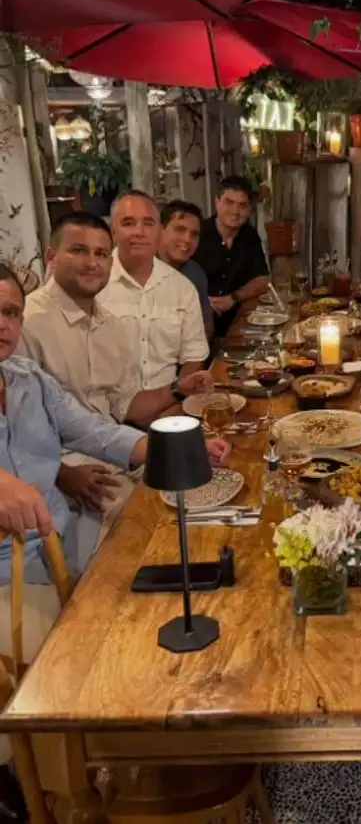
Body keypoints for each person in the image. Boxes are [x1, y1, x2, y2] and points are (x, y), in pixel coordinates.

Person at [0, 260, 231, 702]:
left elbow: (97, 431)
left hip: (66, 541)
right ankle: (54, 763)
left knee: (166, 585)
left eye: (11, 313)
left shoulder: (28, 381)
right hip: (8, 581)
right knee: (71, 674)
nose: (4, 324)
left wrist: (182, 446)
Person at [18, 212, 219, 515]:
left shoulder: (111, 325)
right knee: (157, 518)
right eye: (78, 250)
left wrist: (179, 388)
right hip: (52, 473)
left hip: (109, 451)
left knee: (204, 490)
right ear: (52, 256)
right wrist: (61, 475)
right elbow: (15, 433)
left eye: (100, 253)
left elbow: (125, 406)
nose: (92, 263)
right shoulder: (26, 322)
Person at [99, 190, 209, 389]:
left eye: (148, 224)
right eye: (128, 223)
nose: (139, 232)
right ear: (112, 232)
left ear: (158, 230)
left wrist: (176, 396)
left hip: (168, 406)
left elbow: (194, 355)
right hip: (103, 412)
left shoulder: (182, 288)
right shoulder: (94, 283)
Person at [193, 176, 270, 336]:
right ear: (217, 202)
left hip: (239, 323)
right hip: (197, 322)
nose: (235, 211)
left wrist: (233, 298)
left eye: (242, 205)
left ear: (249, 210)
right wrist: (201, 302)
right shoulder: (197, 234)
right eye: (229, 202)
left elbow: (263, 280)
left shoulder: (250, 235)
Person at [158, 200, 214, 340]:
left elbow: (207, 328)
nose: (187, 240)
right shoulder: (141, 269)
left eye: (194, 234)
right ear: (159, 229)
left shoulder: (195, 273)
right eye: (180, 230)